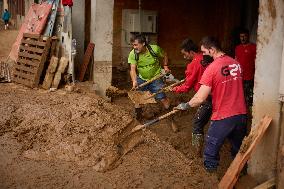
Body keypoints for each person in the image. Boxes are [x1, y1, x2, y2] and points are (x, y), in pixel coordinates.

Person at [175, 36, 247, 172]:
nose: (203, 55)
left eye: (205, 52)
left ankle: (210, 179)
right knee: (238, 150)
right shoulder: (235, 63)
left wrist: (186, 105)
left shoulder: (212, 68)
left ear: (212, 50)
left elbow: (200, 98)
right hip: (241, 114)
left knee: (210, 151)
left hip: (223, 116)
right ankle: (241, 175)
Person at [171, 38, 213, 154]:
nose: (184, 57)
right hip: (218, 95)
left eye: (185, 54)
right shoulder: (206, 57)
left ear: (191, 52)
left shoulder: (193, 64)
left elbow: (186, 87)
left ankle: (197, 151)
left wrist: (174, 89)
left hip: (205, 97)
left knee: (197, 124)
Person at [128, 34, 170, 119]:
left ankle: (170, 115)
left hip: (156, 77)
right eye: (133, 45)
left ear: (143, 43)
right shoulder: (133, 54)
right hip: (142, 78)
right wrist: (134, 81)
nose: (134, 47)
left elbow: (165, 55)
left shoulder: (154, 49)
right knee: (138, 98)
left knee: (162, 98)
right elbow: (132, 69)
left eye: (136, 45)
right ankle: (138, 117)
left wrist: (165, 66)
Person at [235, 28, 256, 106]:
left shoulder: (254, 47)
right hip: (239, 76)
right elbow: (235, 60)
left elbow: (256, 61)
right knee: (239, 97)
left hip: (249, 77)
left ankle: (248, 115)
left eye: (244, 36)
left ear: (248, 36)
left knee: (248, 98)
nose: (242, 38)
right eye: (241, 36)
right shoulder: (237, 48)